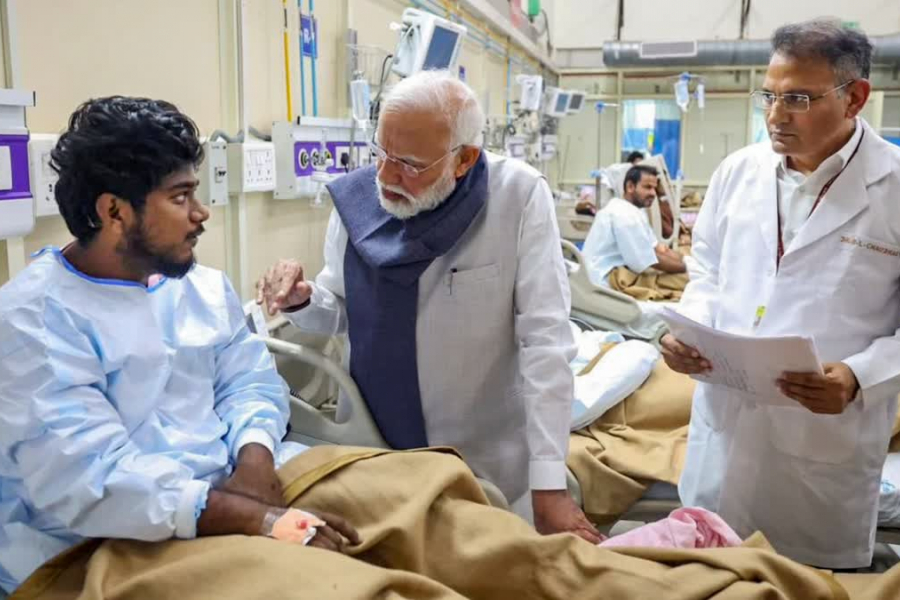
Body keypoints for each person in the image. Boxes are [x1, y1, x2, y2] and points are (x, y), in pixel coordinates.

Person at [0, 96, 846, 600]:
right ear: (114, 212)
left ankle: (733, 583)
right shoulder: (37, 319)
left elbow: (249, 378)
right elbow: (87, 482)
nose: (202, 212)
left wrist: (257, 460)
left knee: (455, 514)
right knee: (370, 585)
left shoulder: (198, 288)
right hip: (122, 540)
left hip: (262, 479)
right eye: (183, 196)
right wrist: (250, 516)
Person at [255, 70, 599, 543]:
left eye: (410, 164)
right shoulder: (357, 202)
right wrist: (302, 300)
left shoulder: (516, 196)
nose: (386, 176)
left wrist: (549, 484)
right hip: (374, 446)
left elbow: (545, 341)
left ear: (464, 160)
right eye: (381, 152)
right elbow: (339, 306)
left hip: (484, 457)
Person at [662, 19, 900, 569]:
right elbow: (709, 272)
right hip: (724, 424)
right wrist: (688, 331)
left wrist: (859, 375)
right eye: (768, 95)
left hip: (821, 448)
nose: (774, 114)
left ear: (855, 98)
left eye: (798, 98)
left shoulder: (892, 185)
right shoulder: (737, 173)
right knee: (709, 571)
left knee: (807, 580)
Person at [581, 165, 687, 301]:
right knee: (685, 280)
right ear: (630, 187)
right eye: (647, 187)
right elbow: (650, 260)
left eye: (654, 188)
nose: (653, 193)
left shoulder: (634, 211)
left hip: (619, 272)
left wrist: (686, 260)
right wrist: (687, 267)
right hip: (606, 280)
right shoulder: (624, 215)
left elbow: (658, 249)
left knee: (684, 276)